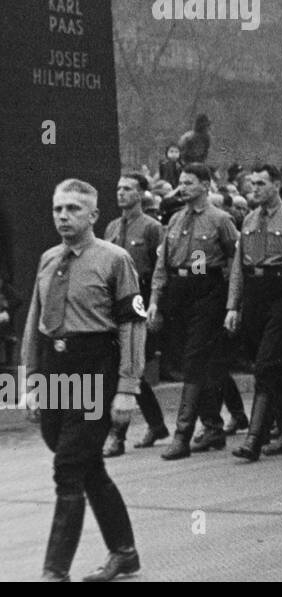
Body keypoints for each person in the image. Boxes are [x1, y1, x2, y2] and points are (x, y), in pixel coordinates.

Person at [25, 179, 145, 581]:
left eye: (74, 209)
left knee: (68, 466)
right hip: (55, 369)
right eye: (58, 208)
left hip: (95, 369)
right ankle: (124, 553)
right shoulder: (47, 259)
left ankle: (54, 571)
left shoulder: (115, 260)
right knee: (86, 465)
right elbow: (35, 325)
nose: (63, 216)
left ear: (93, 215)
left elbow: (132, 327)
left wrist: (127, 388)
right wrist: (31, 382)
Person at [224, 165, 282, 462]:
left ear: (277, 184)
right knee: (268, 367)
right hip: (255, 294)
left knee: (265, 365)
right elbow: (238, 266)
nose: (255, 189)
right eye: (252, 183)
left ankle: (255, 437)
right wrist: (233, 306)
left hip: (281, 294)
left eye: (261, 183)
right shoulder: (248, 219)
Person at [152, 163, 239, 460]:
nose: (182, 188)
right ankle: (213, 426)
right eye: (180, 182)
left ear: (205, 185)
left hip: (208, 293)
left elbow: (235, 262)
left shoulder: (221, 220)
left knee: (193, 361)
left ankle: (182, 434)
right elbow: (162, 264)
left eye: (189, 182)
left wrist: (231, 303)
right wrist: (155, 300)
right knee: (188, 361)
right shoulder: (174, 220)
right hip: (178, 292)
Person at [101, 173, 168, 456]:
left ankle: (117, 435)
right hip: (114, 307)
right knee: (129, 370)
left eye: (127, 189)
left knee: (129, 368)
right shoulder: (112, 228)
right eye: (118, 188)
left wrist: (158, 306)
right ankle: (156, 424)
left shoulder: (152, 228)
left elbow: (161, 270)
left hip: (139, 305)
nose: (121, 193)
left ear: (141, 194)